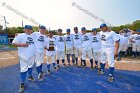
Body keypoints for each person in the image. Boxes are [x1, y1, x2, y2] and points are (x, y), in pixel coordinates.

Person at [12, 25, 35, 93]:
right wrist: (22, 45)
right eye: (27, 29)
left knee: (30, 66)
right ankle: (22, 83)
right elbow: (13, 43)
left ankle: (30, 76)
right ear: (24, 29)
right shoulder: (20, 35)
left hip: (31, 55)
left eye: (30, 29)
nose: (28, 30)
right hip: (23, 56)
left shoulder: (33, 36)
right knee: (23, 69)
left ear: (31, 30)